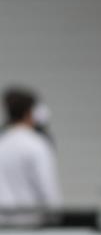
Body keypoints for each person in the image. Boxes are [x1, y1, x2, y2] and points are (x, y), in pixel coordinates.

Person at [0, 88, 62, 226]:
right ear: (30, 113)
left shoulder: (2, 143)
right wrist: (56, 219)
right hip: (30, 226)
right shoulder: (37, 145)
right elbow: (48, 190)